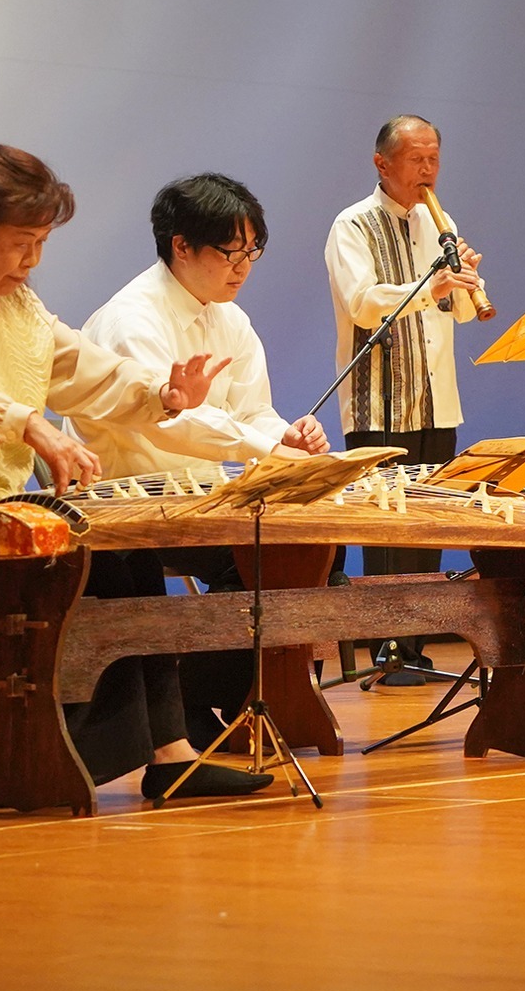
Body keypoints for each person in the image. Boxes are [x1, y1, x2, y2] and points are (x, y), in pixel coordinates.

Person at [0, 143, 271, 800]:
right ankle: (7, 754)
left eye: (41, 242)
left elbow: (91, 374)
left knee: (119, 553)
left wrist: (164, 395)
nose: (32, 259)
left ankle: (170, 751)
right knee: (33, 573)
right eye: (21, 241)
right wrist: (24, 422)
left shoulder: (23, 310)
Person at [71, 172, 331, 744]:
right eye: (229, 251)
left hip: (201, 500)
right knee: (272, 565)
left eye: (252, 251)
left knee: (312, 555)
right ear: (180, 245)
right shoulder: (131, 319)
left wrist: (287, 435)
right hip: (127, 503)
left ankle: (198, 701)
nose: (242, 266)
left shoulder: (229, 318)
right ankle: (183, 709)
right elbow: (171, 426)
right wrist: (265, 444)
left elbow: (252, 412)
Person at [323, 115, 485, 682]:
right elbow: (364, 304)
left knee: (428, 525)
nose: (428, 171)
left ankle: (414, 645)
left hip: (436, 397)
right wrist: (431, 286)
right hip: (379, 400)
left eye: (434, 159)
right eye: (417, 159)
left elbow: (459, 313)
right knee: (387, 529)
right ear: (382, 163)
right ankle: (386, 649)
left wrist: (466, 282)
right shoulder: (352, 225)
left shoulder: (436, 224)